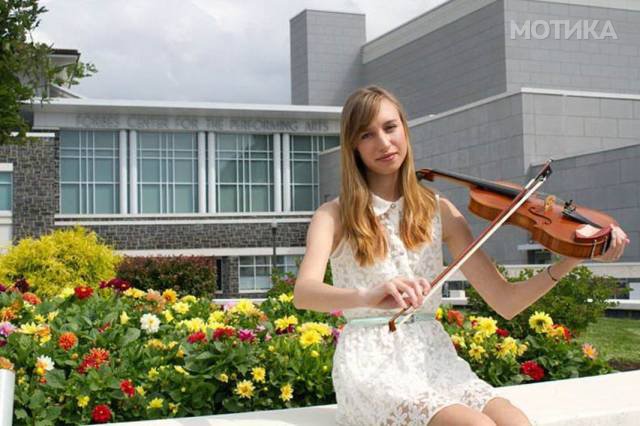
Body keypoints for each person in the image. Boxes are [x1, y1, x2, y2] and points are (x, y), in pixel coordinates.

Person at [293, 85, 629, 426]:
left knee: (516, 421)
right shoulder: (333, 215)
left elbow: (506, 301)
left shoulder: (439, 211)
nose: (383, 142)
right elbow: (304, 293)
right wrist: (367, 296)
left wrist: (573, 256)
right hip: (370, 363)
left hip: (433, 357)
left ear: (404, 130)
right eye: (367, 134)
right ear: (353, 146)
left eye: (390, 127)